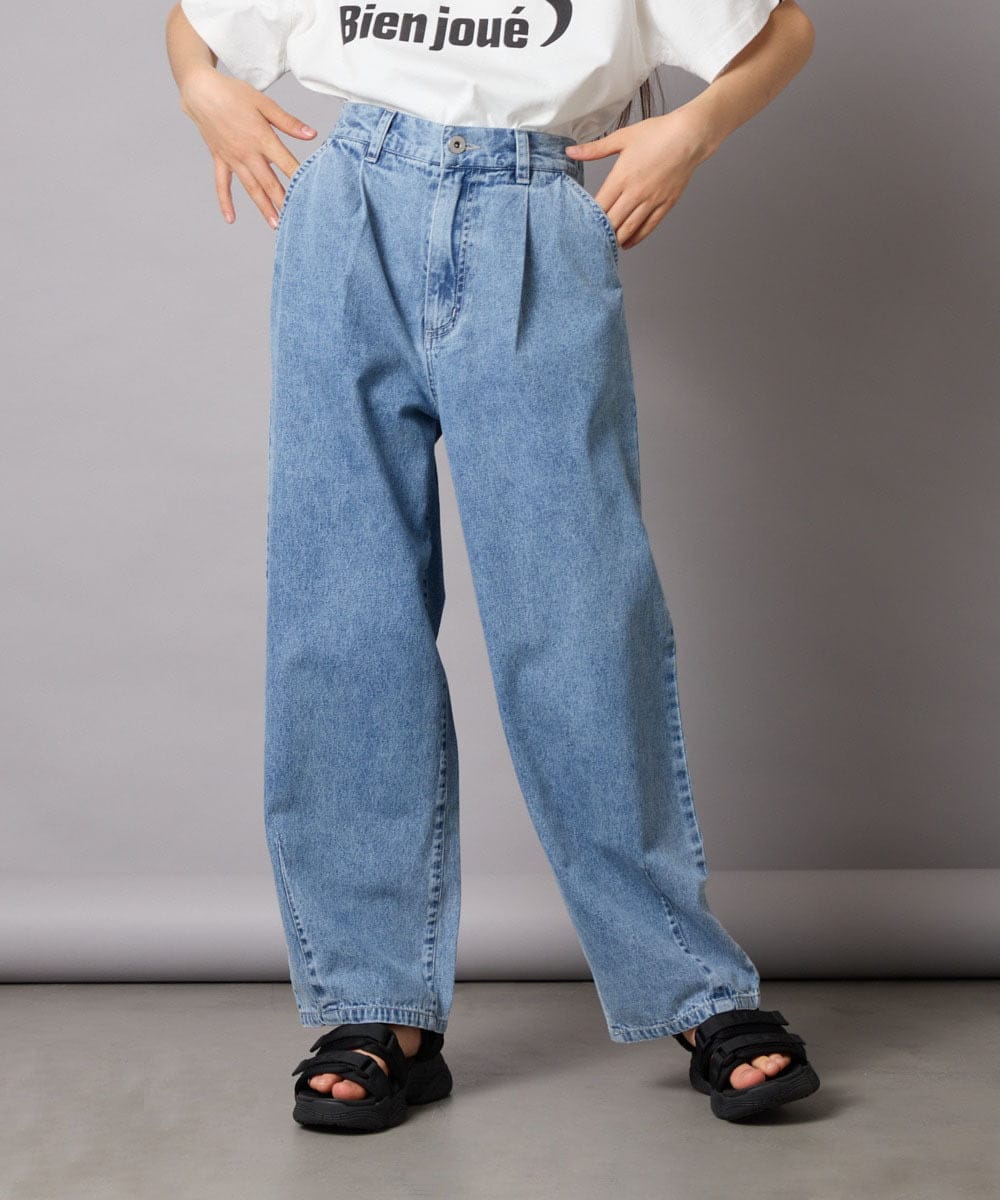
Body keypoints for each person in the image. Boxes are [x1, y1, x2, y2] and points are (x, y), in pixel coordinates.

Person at [166, 0, 820, 1129]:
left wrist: (690, 131)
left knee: (579, 617)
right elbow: (198, 20)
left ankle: (691, 985)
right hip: (349, 209)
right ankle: (378, 1008)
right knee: (344, 618)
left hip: (533, 211)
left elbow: (784, 31)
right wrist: (201, 90)